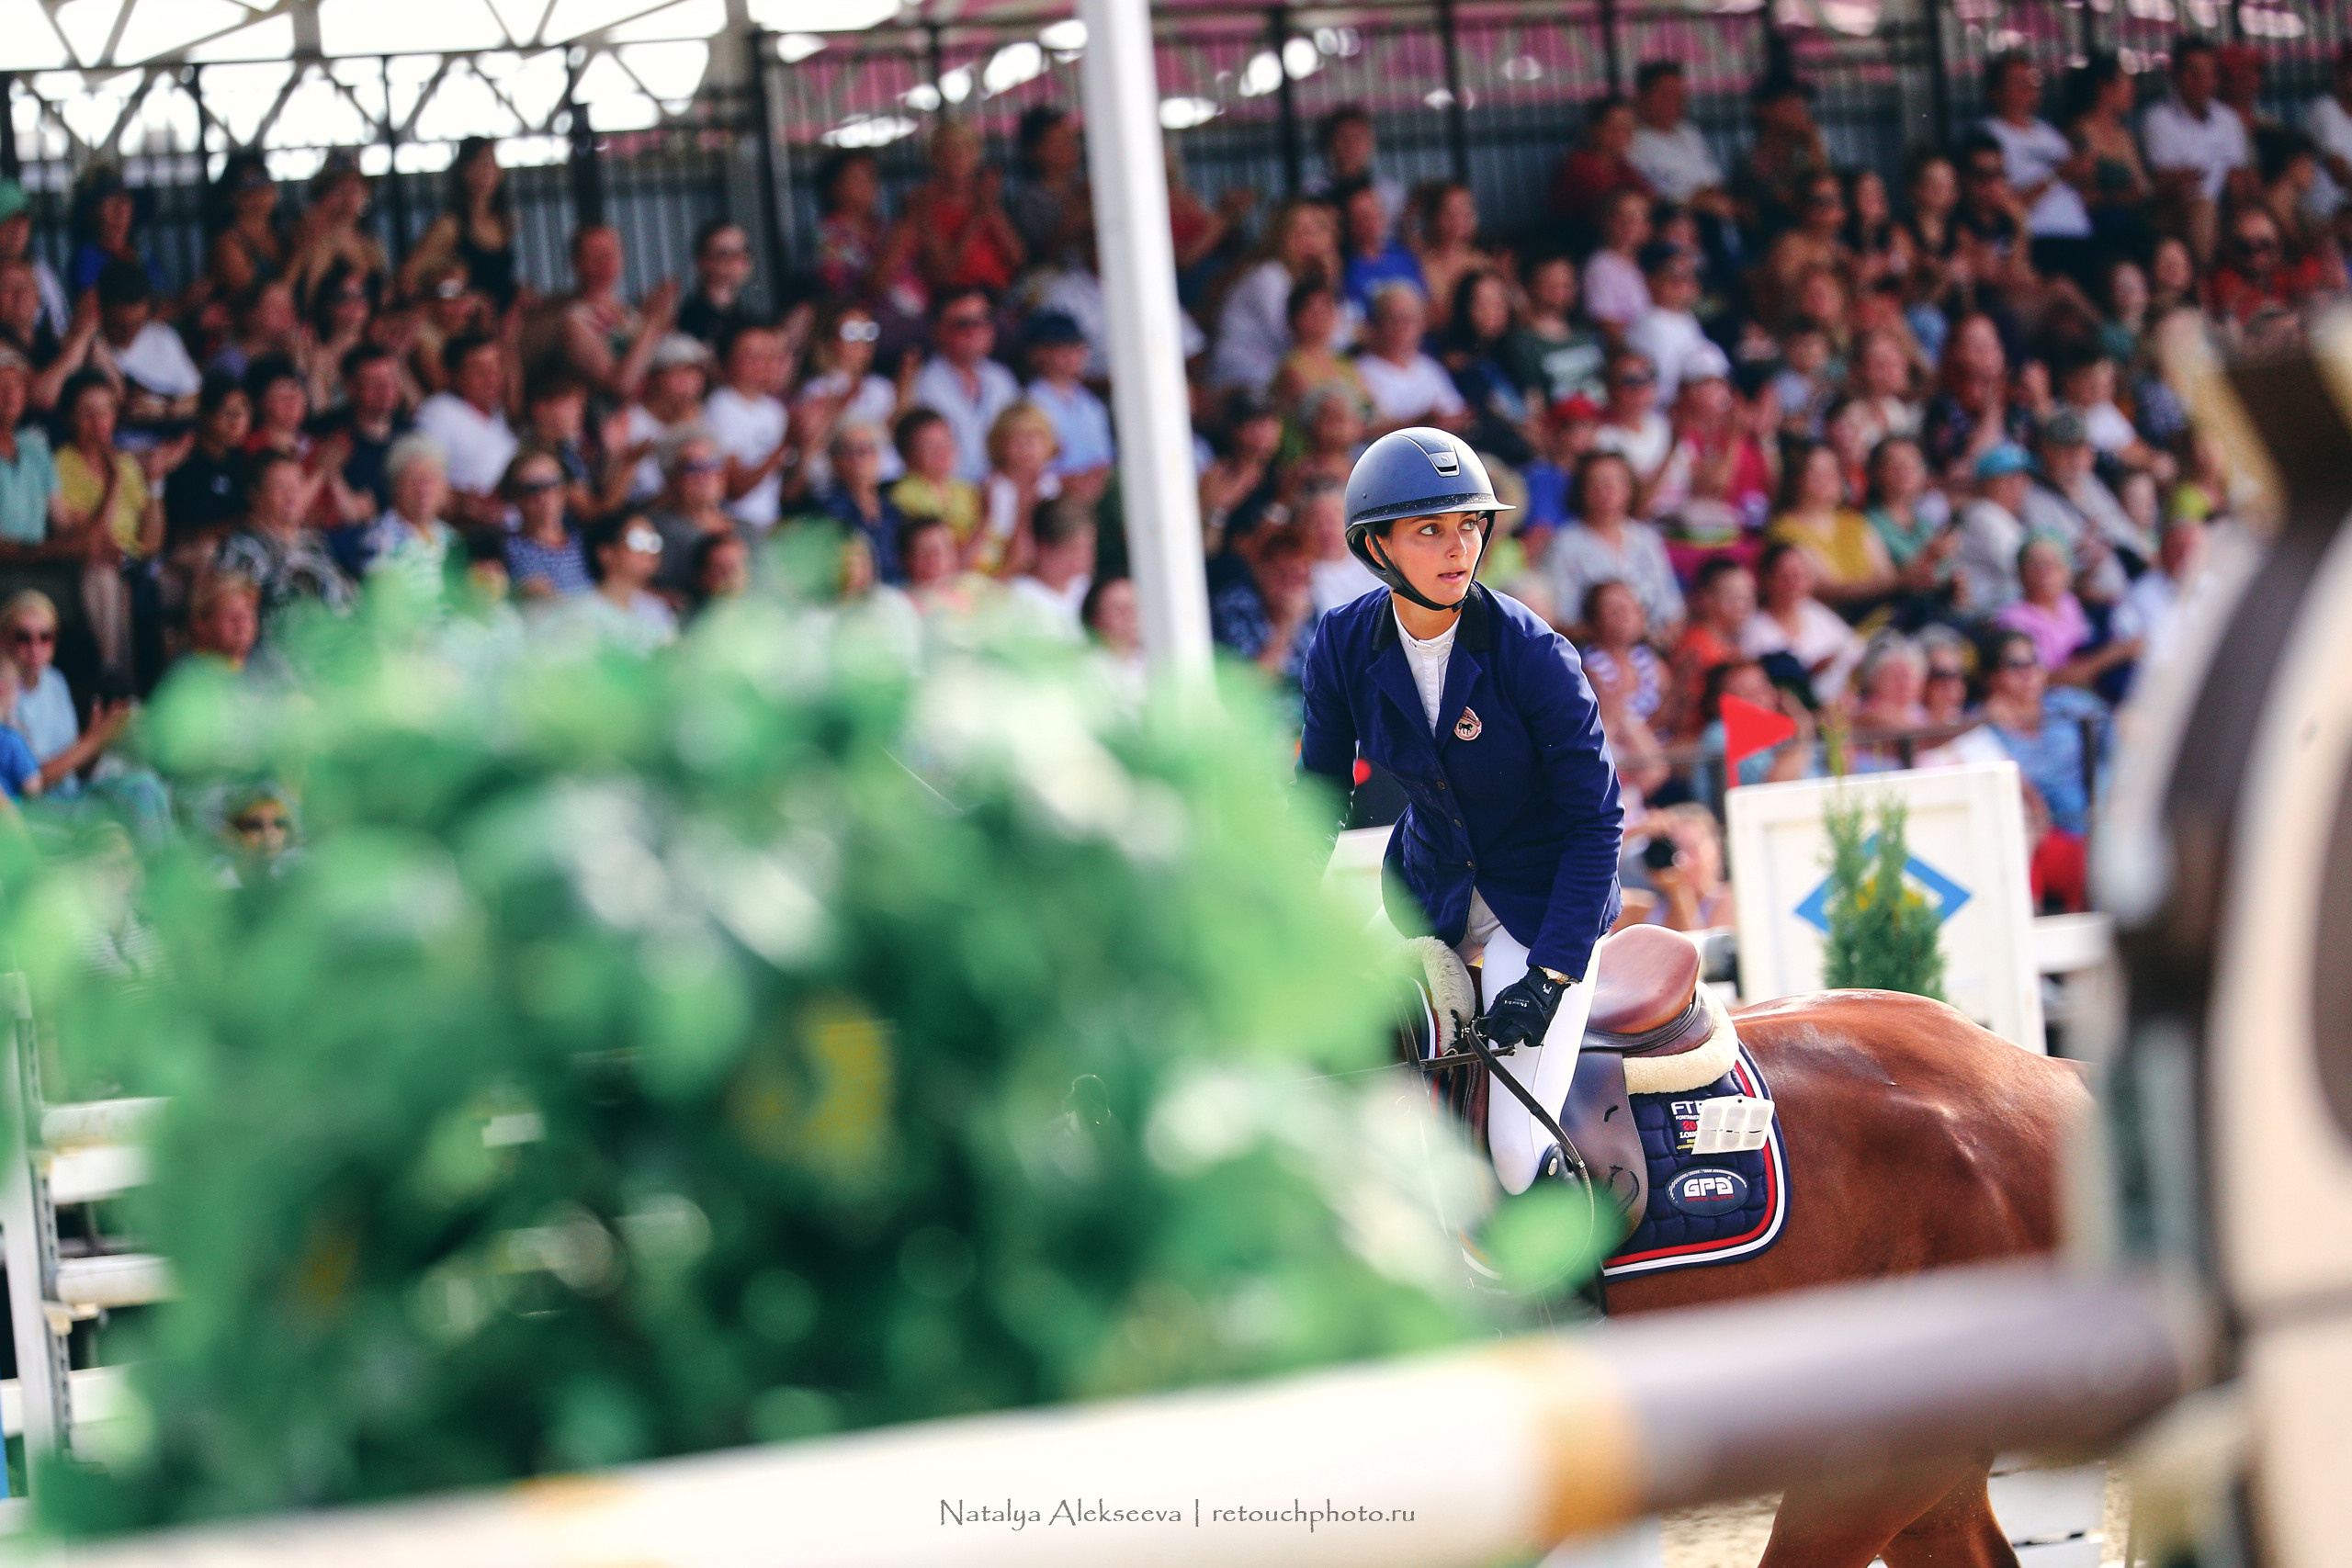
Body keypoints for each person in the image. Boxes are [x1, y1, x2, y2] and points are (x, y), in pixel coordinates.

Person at [1297, 425, 1622, 1199]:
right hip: (1424, 898)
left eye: (1471, 524)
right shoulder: (1341, 643)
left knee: (1513, 1150)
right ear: (1377, 547)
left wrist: (1548, 976)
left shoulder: (1534, 655)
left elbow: (1597, 824)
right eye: (1431, 530)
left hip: (1541, 911)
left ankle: (1572, 1295)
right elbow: (1316, 797)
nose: (1458, 548)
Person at [1978, 53, 2097, 288]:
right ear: (1995, 91)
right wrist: (2058, 175)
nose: (2028, 86)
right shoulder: (1988, 135)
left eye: (2031, 79)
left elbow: (2082, 191)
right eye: (2017, 81)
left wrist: (2085, 174)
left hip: (2080, 234)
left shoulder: (2050, 134)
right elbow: (2000, 203)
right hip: (2037, 239)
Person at [1977, 627, 2106, 840]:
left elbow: (2120, 735)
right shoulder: (1982, 726)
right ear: (1990, 677)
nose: (2028, 673)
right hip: (2037, 835)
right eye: (2015, 665)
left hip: (2098, 820)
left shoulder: (2067, 703)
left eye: (2033, 662)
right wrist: (1984, 717)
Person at [1, 589, 130, 798]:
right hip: (42, 811)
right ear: (4, 638)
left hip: (72, 794)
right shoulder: (5, 694)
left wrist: (105, 738)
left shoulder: (55, 681)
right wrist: (92, 740)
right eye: (23, 637)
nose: (35, 647)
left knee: (144, 783)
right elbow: (32, 780)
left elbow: (75, 767)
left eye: (45, 637)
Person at [1544, 449, 1682, 640]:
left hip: (1651, 646)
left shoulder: (1647, 539)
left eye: (1616, 481)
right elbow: (1561, 621)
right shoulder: (1565, 544)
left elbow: (1672, 610)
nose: (1606, 490)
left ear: (1630, 488)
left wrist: (1659, 639)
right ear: (1582, 490)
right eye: (1596, 482)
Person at [2142, 35, 2251, 266]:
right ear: (2176, 74)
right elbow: (2167, 181)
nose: (2201, 80)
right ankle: (2207, 280)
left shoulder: (2228, 118)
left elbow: (2240, 173)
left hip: (2230, 205)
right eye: (2193, 72)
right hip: (2181, 210)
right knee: (2204, 207)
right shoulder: (2158, 118)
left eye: (2208, 72)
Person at [214, 447, 354, 623]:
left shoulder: (315, 543)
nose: (291, 495)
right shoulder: (242, 550)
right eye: (280, 487)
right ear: (255, 495)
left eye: (297, 485)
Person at [1765, 438, 1894, 614]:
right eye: (1816, 472)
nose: (1827, 479)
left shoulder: (1854, 521)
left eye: (1832, 471)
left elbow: (1886, 574)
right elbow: (1828, 588)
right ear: (1796, 479)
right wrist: (1901, 580)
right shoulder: (1783, 529)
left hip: (1877, 610)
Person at [911, 287, 1020, 483]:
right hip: (948, 493)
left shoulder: (1003, 379)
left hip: (1001, 489)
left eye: (983, 320)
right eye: (964, 324)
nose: (976, 330)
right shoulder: (922, 383)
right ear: (939, 331)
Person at [413, 333, 517, 531]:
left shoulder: (497, 414)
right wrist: (465, 503)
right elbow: (421, 479)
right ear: (453, 376)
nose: (492, 377)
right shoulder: (438, 412)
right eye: (479, 370)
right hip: (474, 532)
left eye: (496, 367)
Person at [401, 136, 518, 312]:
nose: (486, 170)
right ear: (463, 171)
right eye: (478, 162)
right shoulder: (450, 225)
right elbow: (408, 275)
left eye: (491, 162)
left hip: (506, 317)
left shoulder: (504, 222)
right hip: (467, 319)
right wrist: (456, 293)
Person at [1742, 540, 1862, 702]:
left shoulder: (1814, 611)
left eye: (1800, 575)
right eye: (1785, 577)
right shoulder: (1754, 629)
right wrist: (1809, 673)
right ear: (1766, 580)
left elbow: (1855, 650)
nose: (1795, 583)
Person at [539, 513, 677, 652]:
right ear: (606, 553)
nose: (648, 551)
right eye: (638, 541)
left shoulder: (658, 610)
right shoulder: (578, 611)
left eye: (653, 542)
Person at [1355, 283, 1468, 437]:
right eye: (1395, 319)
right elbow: (1365, 431)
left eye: (1410, 318)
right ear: (1377, 323)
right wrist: (1420, 424)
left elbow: (1455, 413)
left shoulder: (1430, 368)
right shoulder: (1360, 370)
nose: (1403, 326)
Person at [1022, 310, 1112, 500]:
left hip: (1096, 494)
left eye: (1078, 346)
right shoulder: (1028, 403)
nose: (1075, 354)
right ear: (1038, 353)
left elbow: (1104, 460)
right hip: (1050, 498)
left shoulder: (1090, 403)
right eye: (1065, 347)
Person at [1503, 254, 1606, 408]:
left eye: (1567, 283)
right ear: (1531, 285)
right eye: (1552, 283)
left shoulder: (1585, 334)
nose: (1562, 290)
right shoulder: (1521, 343)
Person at [1627, 62, 1728, 214]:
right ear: (1642, 96)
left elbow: (1713, 179)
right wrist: (1695, 201)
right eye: (1666, 94)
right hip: (1672, 216)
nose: (1675, 101)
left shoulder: (1689, 132)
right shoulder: (1631, 140)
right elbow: (1655, 197)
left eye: (1679, 94)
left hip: (1714, 209)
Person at [1953, 441, 2037, 613]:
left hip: (2003, 605)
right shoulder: (1982, 514)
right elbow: (2023, 567)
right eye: (2010, 478)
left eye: (2022, 477)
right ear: (1987, 483)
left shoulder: (2005, 515)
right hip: (1985, 612)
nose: (2019, 485)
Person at [498, 446, 590, 602]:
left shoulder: (585, 541)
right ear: (514, 496)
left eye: (554, 484)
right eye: (532, 489)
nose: (545, 496)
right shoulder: (510, 549)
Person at [1552, 96, 1651, 237]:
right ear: (1594, 130)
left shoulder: (1622, 166)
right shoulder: (1580, 165)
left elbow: (1647, 197)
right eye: (1615, 127)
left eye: (1628, 128)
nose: (1624, 134)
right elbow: (1614, 207)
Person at [1006, 495, 1094, 640]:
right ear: (1044, 549)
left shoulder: (1086, 589)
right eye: (1073, 549)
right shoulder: (1018, 596)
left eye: (1087, 548)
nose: (1083, 557)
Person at [1582, 188, 1654, 338]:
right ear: (1606, 221)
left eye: (1640, 217)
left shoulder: (1643, 261)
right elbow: (1608, 325)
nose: (1631, 224)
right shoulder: (1600, 266)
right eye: (1624, 216)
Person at [676, 220, 759, 349]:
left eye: (744, 251)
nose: (738, 260)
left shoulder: (749, 319)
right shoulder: (687, 321)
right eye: (724, 253)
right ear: (703, 261)